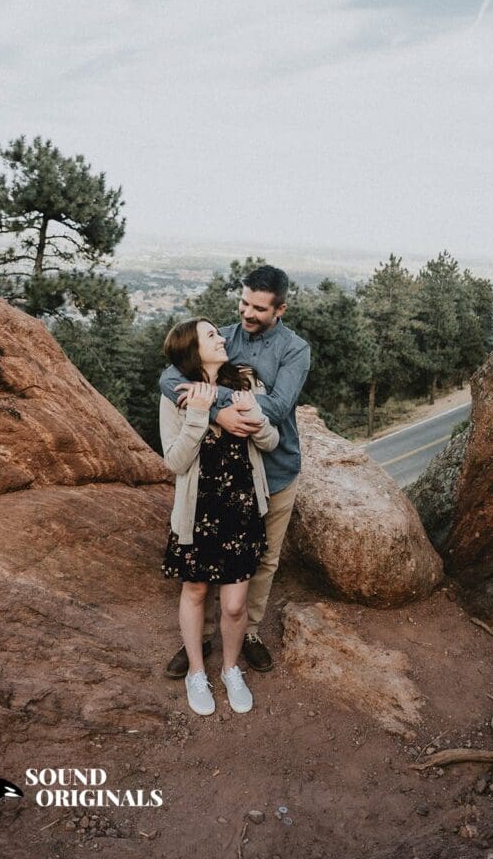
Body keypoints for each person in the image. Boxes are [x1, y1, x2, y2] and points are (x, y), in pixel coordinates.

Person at [160, 265, 311, 677]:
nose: (247, 313)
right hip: (222, 477)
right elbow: (169, 376)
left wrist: (215, 401)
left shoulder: (295, 349)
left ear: (280, 309)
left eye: (258, 308)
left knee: (262, 560)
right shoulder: (222, 336)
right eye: (243, 302)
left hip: (275, 469)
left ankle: (251, 632)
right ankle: (204, 636)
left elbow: (278, 409)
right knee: (208, 562)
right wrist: (217, 412)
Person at [159, 317, 279, 717]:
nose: (221, 337)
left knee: (233, 604)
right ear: (193, 349)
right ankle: (197, 671)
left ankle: (230, 670)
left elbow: (271, 440)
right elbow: (175, 461)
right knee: (195, 591)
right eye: (211, 334)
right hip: (198, 512)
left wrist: (255, 416)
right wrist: (197, 414)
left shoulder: (246, 382)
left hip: (241, 508)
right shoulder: (176, 393)